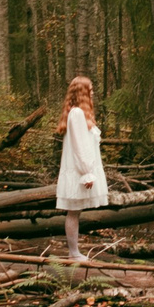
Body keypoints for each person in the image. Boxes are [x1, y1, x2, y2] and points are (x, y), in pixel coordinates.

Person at [56, 75, 108, 261]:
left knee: (75, 211)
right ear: (82, 92)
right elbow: (79, 146)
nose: (93, 92)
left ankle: (74, 252)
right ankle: (74, 253)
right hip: (79, 171)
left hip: (81, 170)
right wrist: (87, 172)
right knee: (73, 210)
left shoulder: (78, 114)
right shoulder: (77, 114)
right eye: (90, 89)